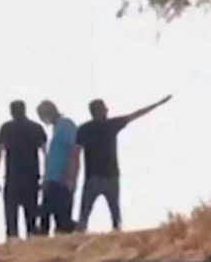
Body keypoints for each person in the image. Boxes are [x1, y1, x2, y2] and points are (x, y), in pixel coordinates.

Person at [71, 95, 172, 232]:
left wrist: (72, 177)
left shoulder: (83, 129)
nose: (107, 110)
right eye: (105, 108)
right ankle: (115, 232)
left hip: (93, 177)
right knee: (115, 215)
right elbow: (135, 114)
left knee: (85, 215)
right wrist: (158, 104)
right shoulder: (111, 125)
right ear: (101, 110)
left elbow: (75, 155)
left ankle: (81, 235)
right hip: (110, 175)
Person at [0, 100, 47, 239]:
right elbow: (46, 153)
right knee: (31, 221)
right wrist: (46, 177)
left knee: (11, 223)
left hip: (13, 179)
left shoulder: (6, 128)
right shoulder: (36, 128)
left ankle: (13, 246)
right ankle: (31, 246)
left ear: (11, 112)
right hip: (31, 179)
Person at [36, 100, 78, 235]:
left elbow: (74, 150)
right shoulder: (56, 128)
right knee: (45, 215)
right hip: (51, 179)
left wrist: (71, 176)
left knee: (61, 219)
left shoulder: (66, 125)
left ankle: (77, 230)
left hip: (61, 179)